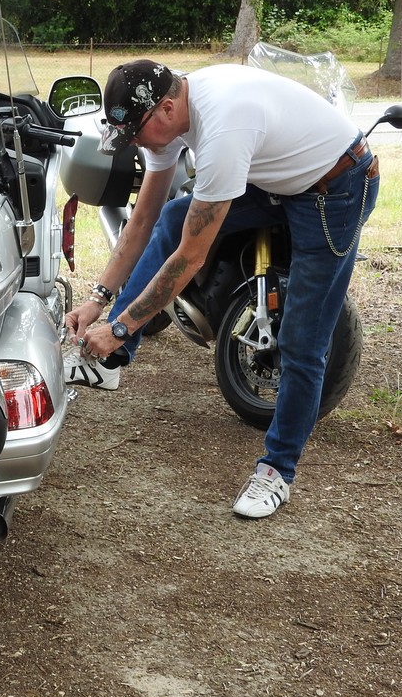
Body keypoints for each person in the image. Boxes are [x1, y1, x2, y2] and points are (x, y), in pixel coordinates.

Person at [64, 60, 379, 519]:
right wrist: (99, 300)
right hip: (282, 180)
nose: (133, 144)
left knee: (303, 341)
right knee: (173, 217)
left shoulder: (223, 129)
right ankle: (112, 361)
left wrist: (119, 324)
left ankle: (277, 471)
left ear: (166, 110)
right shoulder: (170, 112)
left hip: (336, 186)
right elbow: (144, 220)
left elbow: (189, 257)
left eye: (135, 134)